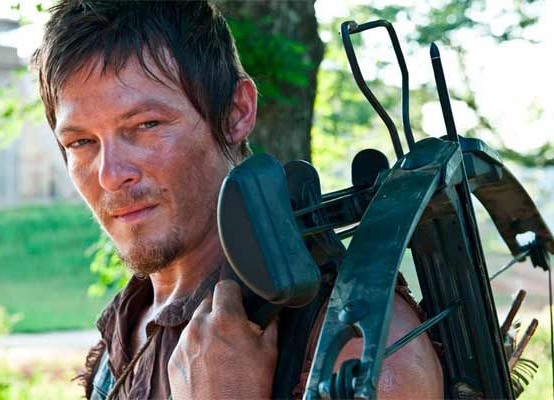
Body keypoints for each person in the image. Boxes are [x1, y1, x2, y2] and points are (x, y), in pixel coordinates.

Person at [32, 1, 443, 399]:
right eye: (81, 142)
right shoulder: (126, 328)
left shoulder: (361, 352)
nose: (110, 174)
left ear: (236, 111)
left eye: (147, 124)